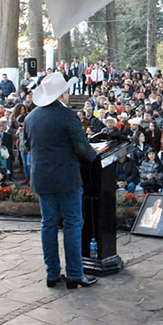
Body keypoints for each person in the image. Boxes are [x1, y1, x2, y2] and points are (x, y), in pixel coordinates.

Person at [24, 71, 98, 289]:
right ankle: (75, 274)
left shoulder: (31, 117)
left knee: (48, 225)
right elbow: (82, 148)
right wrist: (95, 156)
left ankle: (52, 274)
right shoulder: (67, 116)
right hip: (66, 178)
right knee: (73, 224)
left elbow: (28, 146)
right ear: (63, 94)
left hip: (42, 179)